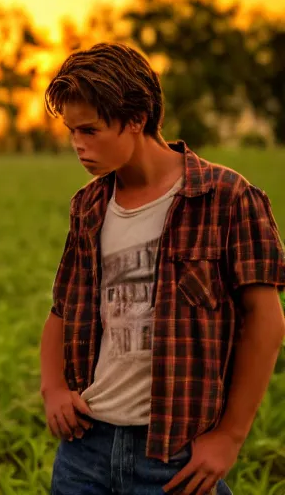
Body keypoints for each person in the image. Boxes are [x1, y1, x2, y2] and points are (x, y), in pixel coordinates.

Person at [39, 42, 285, 495]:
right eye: (72, 132)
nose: (78, 144)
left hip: (175, 455)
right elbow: (61, 311)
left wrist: (230, 436)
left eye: (90, 130)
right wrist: (53, 388)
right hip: (85, 449)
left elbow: (266, 321)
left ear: (136, 118)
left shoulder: (226, 197)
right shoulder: (89, 205)